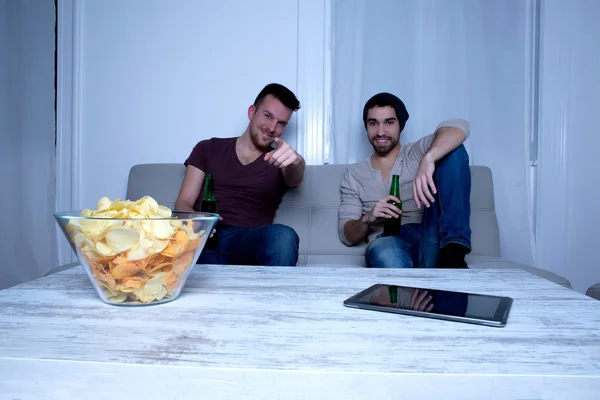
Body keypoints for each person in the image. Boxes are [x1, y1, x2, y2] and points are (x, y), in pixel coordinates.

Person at [175, 83, 305, 266]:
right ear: (252, 112)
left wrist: (297, 160)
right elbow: (184, 202)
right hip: (203, 242)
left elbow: (295, 177)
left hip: (247, 245)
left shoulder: (281, 159)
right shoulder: (208, 148)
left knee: (284, 236)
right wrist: (197, 221)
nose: (272, 127)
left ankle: (275, 295)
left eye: (281, 123)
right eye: (268, 116)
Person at [338, 92, 472, 269]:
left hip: (431, 236)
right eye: (373, 123)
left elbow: (459, 127)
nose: (380, 132)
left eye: (389, 122)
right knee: (382, 249)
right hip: (390, 242)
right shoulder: (354, 174)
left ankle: (454, 252)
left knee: (453, 150)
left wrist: (428, 158)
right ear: (366, 127)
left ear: (400, 125)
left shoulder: (416, 152)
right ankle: (407, 293)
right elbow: (347, 235)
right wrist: (368, 217)